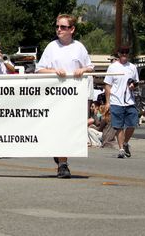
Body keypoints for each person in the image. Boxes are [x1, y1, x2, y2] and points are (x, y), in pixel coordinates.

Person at [36, 14, 94, 178]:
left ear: (72, 29)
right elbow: (39, 69)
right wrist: (54, 71)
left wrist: (83, 69)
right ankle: (62, 163)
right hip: (54, 96)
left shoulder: (79, 47)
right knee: (58, 128)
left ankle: (62, 159)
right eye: (57, 27)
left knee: (70, 129)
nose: (59, 30)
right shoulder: (51, 47)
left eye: (63, 27)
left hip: (74, 97)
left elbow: (90, 66)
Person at [103, 46, 139, 159]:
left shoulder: (132, 67)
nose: (124, 54)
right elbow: (108, 85)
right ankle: (121, 149)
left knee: (132, 124)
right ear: (118, 53)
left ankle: (125, 142)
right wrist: (108, 102)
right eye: (122, 52)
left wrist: (134, 86)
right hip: (116, 100)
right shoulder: (112, 67)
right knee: (119, 126)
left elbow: (136, 82)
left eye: (126, 52)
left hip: (129, 101)